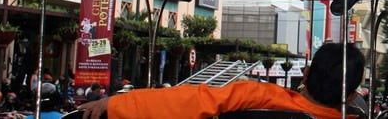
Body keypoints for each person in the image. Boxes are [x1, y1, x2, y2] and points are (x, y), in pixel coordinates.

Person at [79, 42, 365, 119]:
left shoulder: (262, 97)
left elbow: (187, 101)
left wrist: (118, 104)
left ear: (306, 74)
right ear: (352, 96)